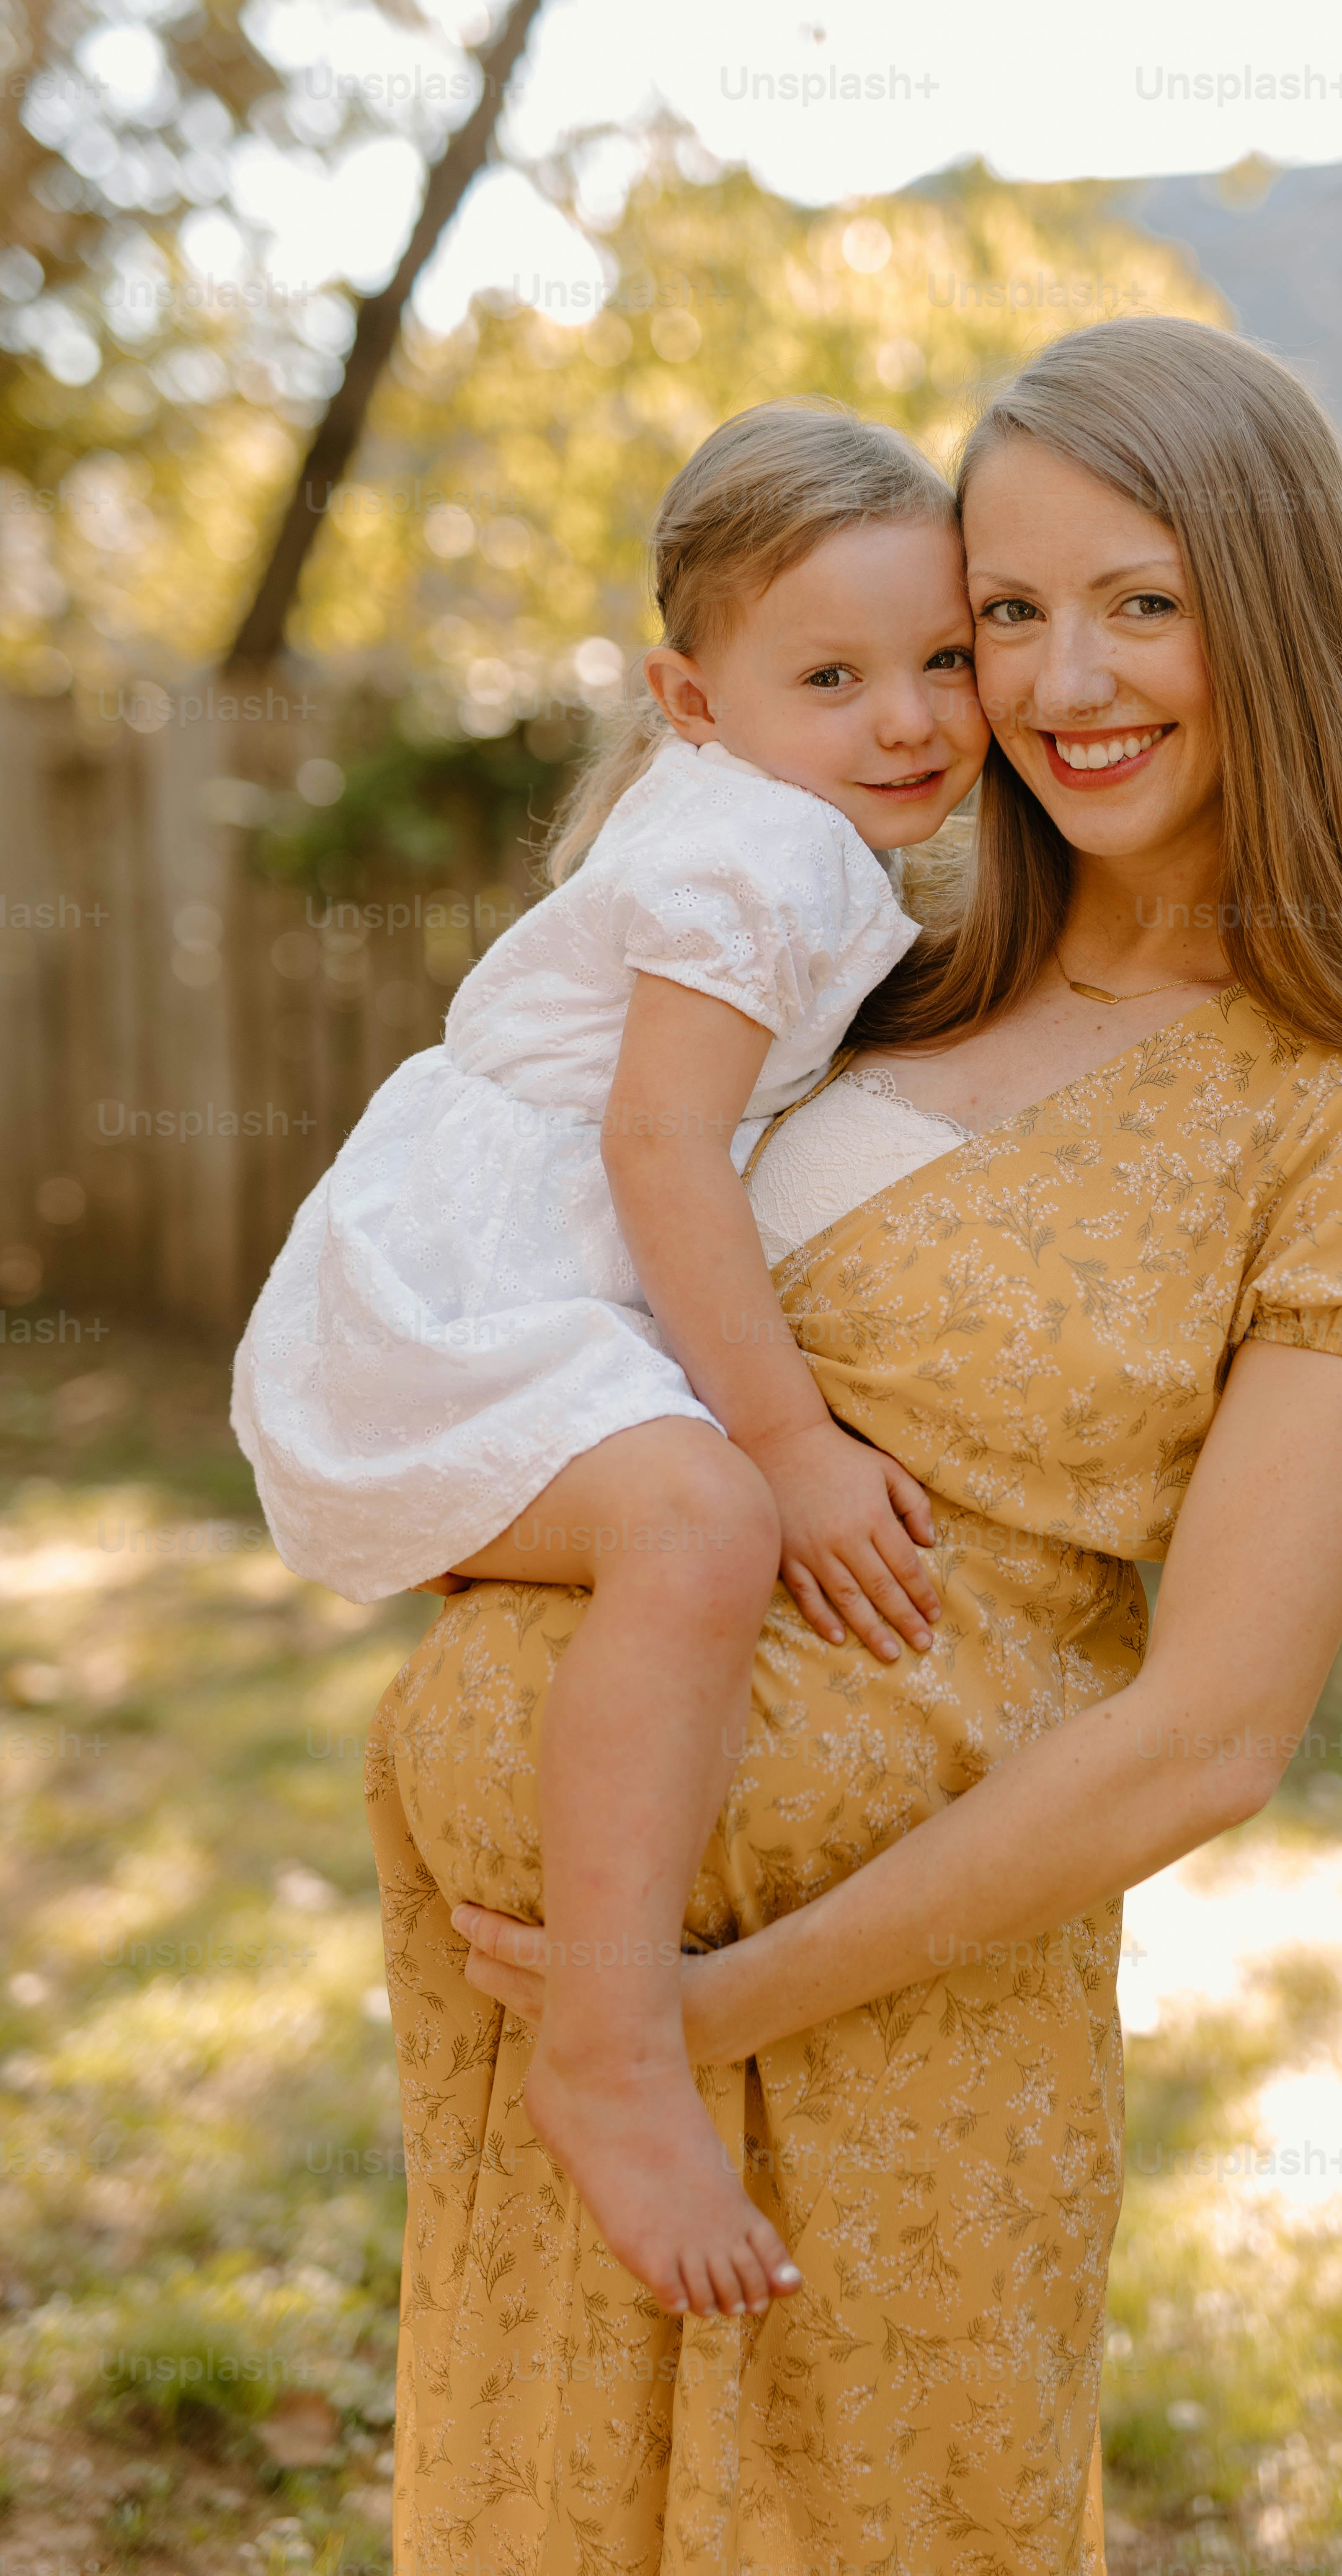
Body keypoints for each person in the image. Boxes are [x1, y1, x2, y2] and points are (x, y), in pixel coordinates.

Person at [368, 316, 1342, 2575]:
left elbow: (1208, 1735)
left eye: (1139, 599)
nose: (1059, 677)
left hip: (878, 2041)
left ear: (1274, 615)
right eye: (1000, 612)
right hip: (549, 2008)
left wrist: (691, 2008)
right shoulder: (861, 972)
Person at [232, 403, 989, 2319]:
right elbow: (659, 1149)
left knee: (682, 1526)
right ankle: (611, 2035)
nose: (907, 720)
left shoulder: (763, 816)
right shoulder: (769, 855)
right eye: (833, 674)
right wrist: (793, 1442)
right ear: (692, 694)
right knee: (707, 1528)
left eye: (945, 660)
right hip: (470, 1297)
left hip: (450, 1268)